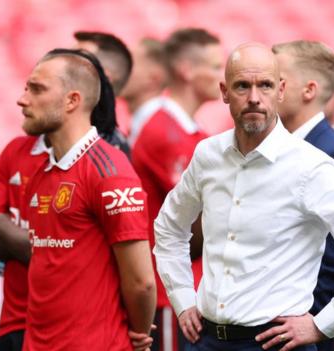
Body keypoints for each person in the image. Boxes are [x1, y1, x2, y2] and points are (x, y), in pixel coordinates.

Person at [153, 42, 334, 351]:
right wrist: (183, 298)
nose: (254, 97)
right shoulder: (209, 154)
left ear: (280, 90)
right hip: (205, 338)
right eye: (242, 86)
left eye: (265, 85)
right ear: (224, 92)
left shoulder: (311, 166)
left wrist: (322, 324)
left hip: (274, 342)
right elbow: (168, 228)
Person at [0, 49, 144, 351]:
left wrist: (1, 224)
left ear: (73, 99)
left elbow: (140, 279)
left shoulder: (109, 167)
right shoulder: (42, 167)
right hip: (27, 333)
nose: (22, 99)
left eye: (36, 89)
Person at [131, 27, 223, 351]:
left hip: (189, 284)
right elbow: (200, 215)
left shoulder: (194, 132)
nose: (221, 76)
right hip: (167, 290)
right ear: (186, 70)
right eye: (214, 66)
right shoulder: (163, 130)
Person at [272, 40, 334, 351]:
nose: (262, 89)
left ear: (309, 90)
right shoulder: (270, 150)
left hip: (306, 330)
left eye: (276, 79)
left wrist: (316, 323)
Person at [74, 31, 133, 156]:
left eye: (75, 61)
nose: (62, 66)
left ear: (102, 77)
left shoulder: (110, 154)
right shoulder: (45, 138)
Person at [121, 37, 168, 147]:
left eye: (128, 64)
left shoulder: (158, 129)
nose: (117, 70)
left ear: (154, 78)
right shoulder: (141, 123)